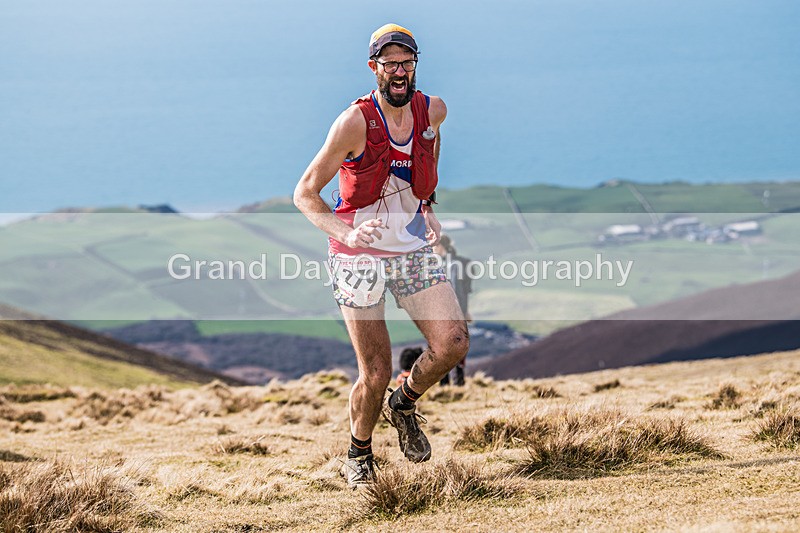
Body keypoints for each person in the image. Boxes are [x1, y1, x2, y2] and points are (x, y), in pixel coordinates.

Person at [293, 23, 469, 488]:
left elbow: (428, 155)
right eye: (389, 63)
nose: (398, 71)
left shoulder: (433, 110)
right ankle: (359, 454)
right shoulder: (353, 123)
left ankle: (405, 402)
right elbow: (305, 194)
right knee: (375, 372)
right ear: (374, 68)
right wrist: (346, 235)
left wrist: (426, 206)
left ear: (415, 66)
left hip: (410, 247)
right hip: (358, 257)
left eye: (406, 62)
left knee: (452, 343)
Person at [434, 234, 472, 386]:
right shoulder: (458, 263)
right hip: (456, 311)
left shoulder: (449, 265)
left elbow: (455, 290)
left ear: (440, 246)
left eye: (434, 246)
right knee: (457, 344)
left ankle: (446, 384)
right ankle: (458, 382)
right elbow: (465, 291)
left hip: (447, 312)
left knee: (443, 347)